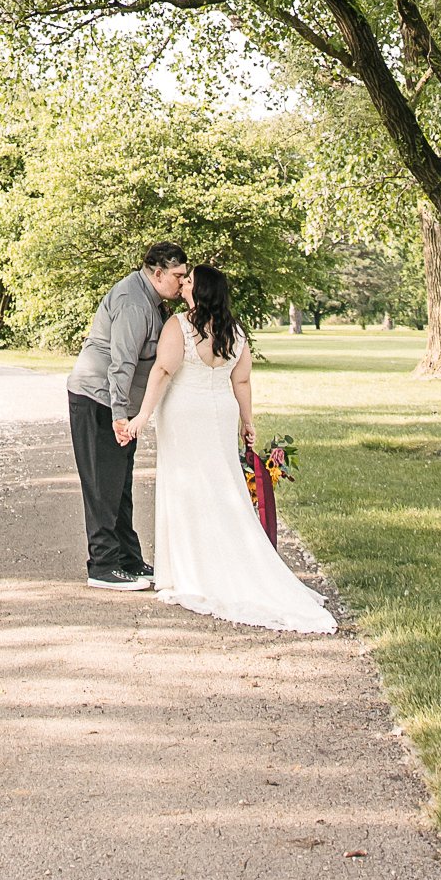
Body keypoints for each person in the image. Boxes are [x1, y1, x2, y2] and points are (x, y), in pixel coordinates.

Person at [127, 260, 336, 633]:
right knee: (222, 483)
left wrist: (141, 417)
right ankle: (216, 560)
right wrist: (247, 422)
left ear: (200, 290)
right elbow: (242, 381)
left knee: (186, 483)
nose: (183, 284)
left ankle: (189, 571)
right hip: (220, 412)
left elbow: (162, 371)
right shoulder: (235, 331)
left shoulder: (180, 325)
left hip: (185, 413)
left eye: (189, 280)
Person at [66, 241, 189, 590]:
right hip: (99, 399)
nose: (182, 282)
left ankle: (128, 559)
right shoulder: (134, 302)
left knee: (120, 484)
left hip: (116, 403)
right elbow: (122, 363)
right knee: (103, 484)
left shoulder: (152, 300)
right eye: (178, 276)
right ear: (158, 272)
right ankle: (102, 566)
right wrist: (121, 415)